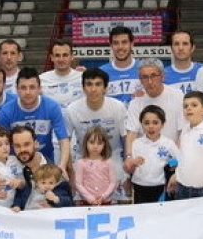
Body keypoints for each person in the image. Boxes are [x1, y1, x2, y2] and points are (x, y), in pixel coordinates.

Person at [64, 67, 129, 203]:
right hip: (84, 159)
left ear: (105, 88)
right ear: (83, 88)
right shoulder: (72, 109)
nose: (93, 89)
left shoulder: (118, 107)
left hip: (113, 158)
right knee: (80, 199)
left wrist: (128, 167)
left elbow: (126, 137)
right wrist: (70, 171)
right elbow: (66, 141)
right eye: (89, 84)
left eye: (98, 84)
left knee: (123, 197)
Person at [0, 67, 73, 175]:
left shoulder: (52, 107)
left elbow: (63, 139)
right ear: (16, 89)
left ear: (39, 88)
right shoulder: (7, 111)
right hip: (17, 162)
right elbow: (1, 144)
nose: (27, 92)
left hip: (45, 161)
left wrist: (62, 165)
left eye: (32, 87)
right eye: (23, 88)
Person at [123, 59, 186, 172]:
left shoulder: (178, 97)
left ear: (162, 76)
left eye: (153, 76)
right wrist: (129, 157)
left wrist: (174, 159)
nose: (150, 81)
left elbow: (183, 131)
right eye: (145, 77)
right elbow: (132, 133)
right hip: (145, 165)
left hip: (171, 162)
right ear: (140, 80)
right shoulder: (136, 102)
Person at [127, 104, 180, 204]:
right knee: (142, 217)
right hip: (139, 186)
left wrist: (174, 169)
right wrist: (133, 163)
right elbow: (129, 167)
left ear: (163, 124)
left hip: (160, 186)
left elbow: (180, 160)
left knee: (159, 217)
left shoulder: (168, 143)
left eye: (155, 123)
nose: (151, 126)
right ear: (141, 124)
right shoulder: (136, 143)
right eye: (146, 123)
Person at [72, 125, 118, 206]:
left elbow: (113, 182)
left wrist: (104, 196)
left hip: (106, 201)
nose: (95, 146)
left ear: (104, 145)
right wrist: (90, 198)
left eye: (99, 143)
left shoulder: (109, 162)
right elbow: (78, 183)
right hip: (87, 202)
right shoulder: (81, 163)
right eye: (92, 142)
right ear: (86, 143)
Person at [99, 26, 143, 105]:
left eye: (124, 42)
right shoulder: (101, 72)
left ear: (132, 44)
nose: (120, 47)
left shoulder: (144, 68)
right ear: (111, 45)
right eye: (116, 43)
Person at [39, 39, 84, 107]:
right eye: (57, 55)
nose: (61, 59)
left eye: (65, 55)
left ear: (72, 56)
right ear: (52, 58)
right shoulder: (41, 79)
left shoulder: (83, 77)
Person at [163, 30, 202, 95]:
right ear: (171, 48)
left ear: (192, 48)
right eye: (176, 44)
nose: (180, 48)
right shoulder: (163, 75)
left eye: (185, 44)